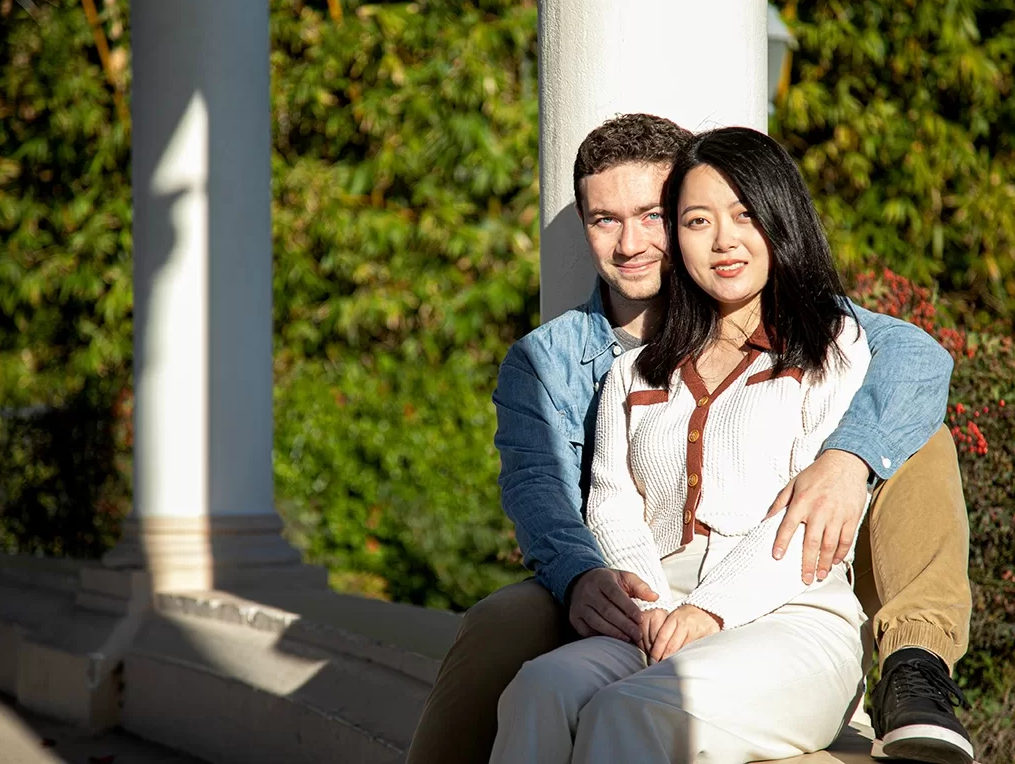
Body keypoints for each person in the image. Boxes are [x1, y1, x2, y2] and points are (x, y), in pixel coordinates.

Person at [405, 115, 973, 764]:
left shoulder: (829, 340)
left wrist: (848, 458)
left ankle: (916, 666)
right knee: (533, 684)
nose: (630, 243)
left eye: (651, 215)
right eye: (604, 220)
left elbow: (916, 363)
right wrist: (617, 589)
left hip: (777, 597)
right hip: (620, 591)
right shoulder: (579, 365)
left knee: (915, 437)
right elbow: (567, 499)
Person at [492, 125, 880, 762]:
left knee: (630, 712)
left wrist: (709, 612)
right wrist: (649, 606)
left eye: (745, 215)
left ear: (781, 220)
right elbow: (612, 504)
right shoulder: (634, 371)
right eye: (699, 221)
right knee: (538, 689)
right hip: (658, 610)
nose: (723, 240)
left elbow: (801, 526)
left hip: (788, 611)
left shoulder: (830, 347)